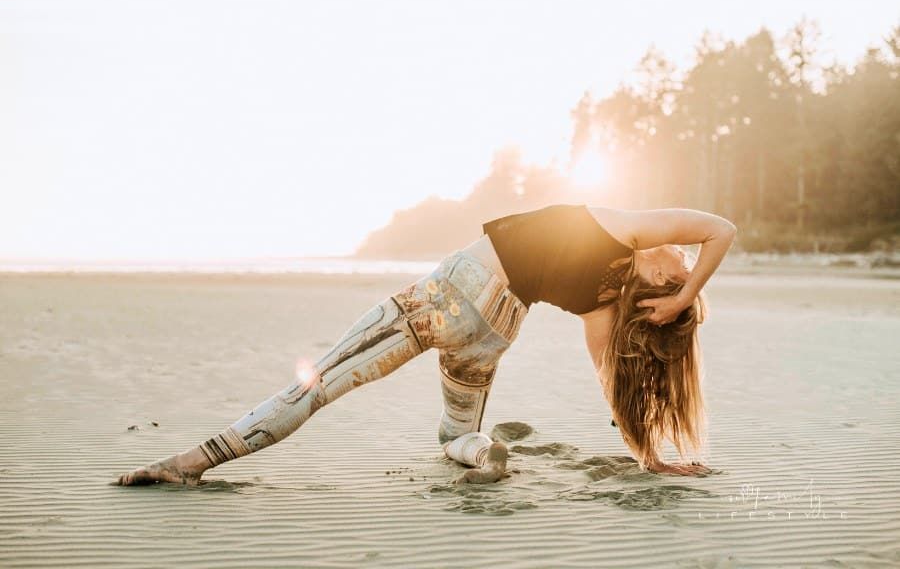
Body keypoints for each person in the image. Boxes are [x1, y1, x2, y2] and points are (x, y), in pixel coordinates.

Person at [117, 204, 736, 486]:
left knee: (320, 383)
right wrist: (648, 455)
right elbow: (613, 384)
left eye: (679, 265)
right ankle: (474, 452)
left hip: (446, 299)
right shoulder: (600, 308)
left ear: (660, 280)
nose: (679, 251)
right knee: (453, 433)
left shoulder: (626, 229)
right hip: (494, 331)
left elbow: (718, 228)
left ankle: (192, 462)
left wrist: (684, 301)